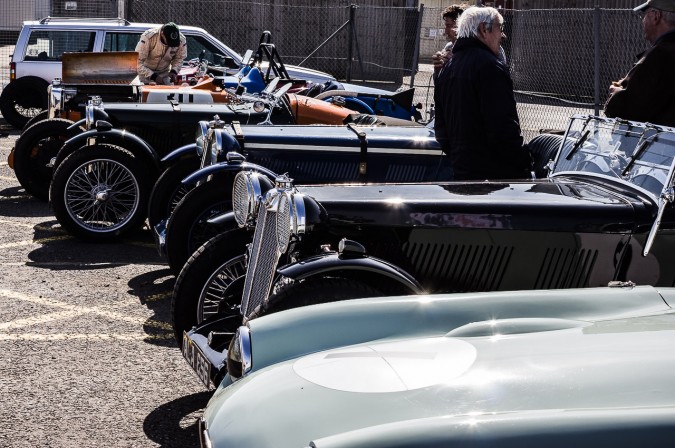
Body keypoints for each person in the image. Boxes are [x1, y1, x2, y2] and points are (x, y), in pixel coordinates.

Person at [434, 6, 531, 181]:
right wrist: (523, 163)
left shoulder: (448, 67)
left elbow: (441, 130)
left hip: (462, 173)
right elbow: (503, 128)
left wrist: (460, 159)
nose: (503, 35)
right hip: (495, 180)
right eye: (499, 28)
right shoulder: (490, 67)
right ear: (483, 30)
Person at [604, 0, 675, 127]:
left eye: (644, 15)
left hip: (659, 143)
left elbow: (630, 109)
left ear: (656, 16)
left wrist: (615, 93)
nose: (642, 21)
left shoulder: (661, 54)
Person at [432, 4, 467, 75]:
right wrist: (438, 70)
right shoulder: (449, 46)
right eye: (445, 26)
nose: (445, 31)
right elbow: (440, 84)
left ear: (461, 26)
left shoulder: (472, 51)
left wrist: (454, 63)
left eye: (449, 26)